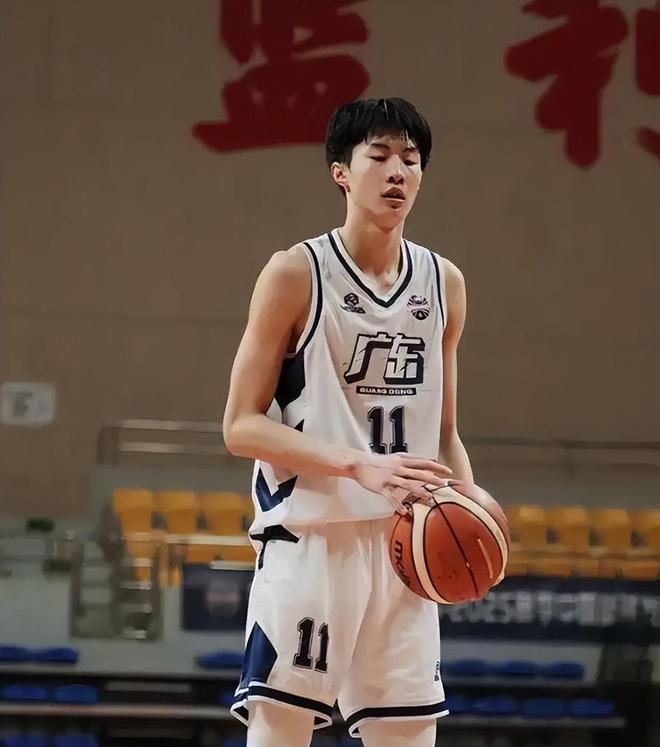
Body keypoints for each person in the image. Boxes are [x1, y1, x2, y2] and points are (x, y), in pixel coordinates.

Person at [223, 97, 474, 747]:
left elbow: (444, 430)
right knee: (281, 730)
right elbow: (240, 425)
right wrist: (356, 462)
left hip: (405, 542)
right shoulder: (294, 273)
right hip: (312, 536)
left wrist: (470, 508)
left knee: (409, 734)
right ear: (341, 171)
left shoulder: (444, 283)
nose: (398, 172)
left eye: (411, 160)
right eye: (380, 155)